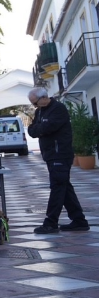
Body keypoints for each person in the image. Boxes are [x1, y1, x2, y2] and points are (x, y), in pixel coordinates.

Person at [27, 87, 90, 234]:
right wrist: (40, 128)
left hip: (60, 154)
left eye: (35, 103)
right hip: (50, 155)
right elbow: (32, 130)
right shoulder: (39, 111)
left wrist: (40, 128)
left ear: (43, 98)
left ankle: (51, 222)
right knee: (64, 187)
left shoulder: (58, 109)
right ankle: (79, 220)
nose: (34, 106)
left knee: (57, 186)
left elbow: (48, 127)